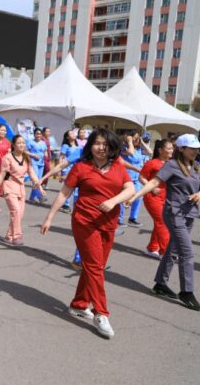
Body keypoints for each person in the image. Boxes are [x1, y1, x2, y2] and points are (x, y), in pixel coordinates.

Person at [41, 129, 135, 338]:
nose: (101, 148)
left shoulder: (118, 166)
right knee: (94, 267)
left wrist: (113, 201)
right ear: (90, 146)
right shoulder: (81, 167)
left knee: (95, 266)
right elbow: (64, 193)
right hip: (85, 222)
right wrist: (49, 217)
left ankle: (79, 304)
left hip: (108, 223)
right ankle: (101, 313)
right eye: (97, 143)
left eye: (105, 144)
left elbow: (130, 189)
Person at [127, 134, 200, 311]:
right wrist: (135, 196)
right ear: (182, 149)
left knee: (172, 250)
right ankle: (187, 292)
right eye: (192, 148)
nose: (195, 151)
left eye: (197, 149)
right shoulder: (172, 165)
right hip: (174, 213)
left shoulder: (196, 165)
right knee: (187, 253)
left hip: (190, 214)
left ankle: (160, 284)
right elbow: (153, 182)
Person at [0, 135, 42, 246]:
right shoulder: (7, 158)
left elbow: (31, 173)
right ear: (13, 145)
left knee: (19, 215)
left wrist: (39, 185)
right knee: (16, 211)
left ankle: (9, 235)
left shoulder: (26, 158)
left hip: (21, 189)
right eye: (19, 143)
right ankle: (17, 236)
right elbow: (3, 174)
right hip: (9, 187)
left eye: (23, 143)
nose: (22, 145)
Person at [139, 139, 174, 259]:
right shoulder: (152, 163)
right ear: (160, 150)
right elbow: (141, 177)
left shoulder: (171, 163)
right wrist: (152, 188)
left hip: (166, 198)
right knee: (162, 223)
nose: (171, 150)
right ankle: (165, 252)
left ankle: (152, 248)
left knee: (159, 223)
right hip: (152, 197)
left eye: (172, 148)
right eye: (169, 148)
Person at [118, 131, 151, 227]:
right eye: (135, 137)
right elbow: (130, 152)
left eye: (138, 137)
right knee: (123, 198)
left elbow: (150, 152)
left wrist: (142, 142)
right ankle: (119, 219)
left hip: (137, 178)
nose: (137, 139)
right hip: (126, 177)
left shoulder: (139, 149)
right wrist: (129, 142)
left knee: (138, 198)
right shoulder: (123, 148)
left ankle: (132, 218)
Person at [58, 129, 81, 213]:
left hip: (76, 170)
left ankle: (75, 205)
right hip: (67, 169)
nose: (73, 134)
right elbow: (61, 157)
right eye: (71, 133)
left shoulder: (78, 146)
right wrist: (60, 170)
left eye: (73, 133)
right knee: (69, 188)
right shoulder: (65, 146)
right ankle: (65, 205)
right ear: (67, 137)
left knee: (76, 189)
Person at [27, 128, 48, 203]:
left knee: (39, 180)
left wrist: (46, 157)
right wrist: (33, 155)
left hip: (41, 163)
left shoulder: (43, 143)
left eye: (40, 134)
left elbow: (45, 151)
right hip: (33, 162)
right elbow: (25, 151)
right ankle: (39, 196)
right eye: (37, 134)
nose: (38, 135)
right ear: (34, 134)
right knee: (36, 180)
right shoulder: (30, 142)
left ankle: (32, 197)